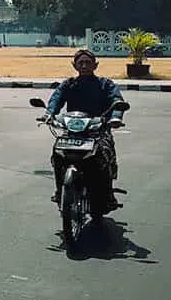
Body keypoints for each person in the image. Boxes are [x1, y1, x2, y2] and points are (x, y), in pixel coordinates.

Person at [44, 49, 125, 213]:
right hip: (73, 131)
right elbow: (56, 98)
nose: (84, 66)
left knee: (106, 154)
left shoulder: (105, 84)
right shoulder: (69, 84)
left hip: (97, 131)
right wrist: (49, 113)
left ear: (95, 65)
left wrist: (116, 117)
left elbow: (116, 99)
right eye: (80, 62)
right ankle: (60, 190)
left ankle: (108, 193)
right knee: (57, 154)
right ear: (74, 65)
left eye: (88, 62)